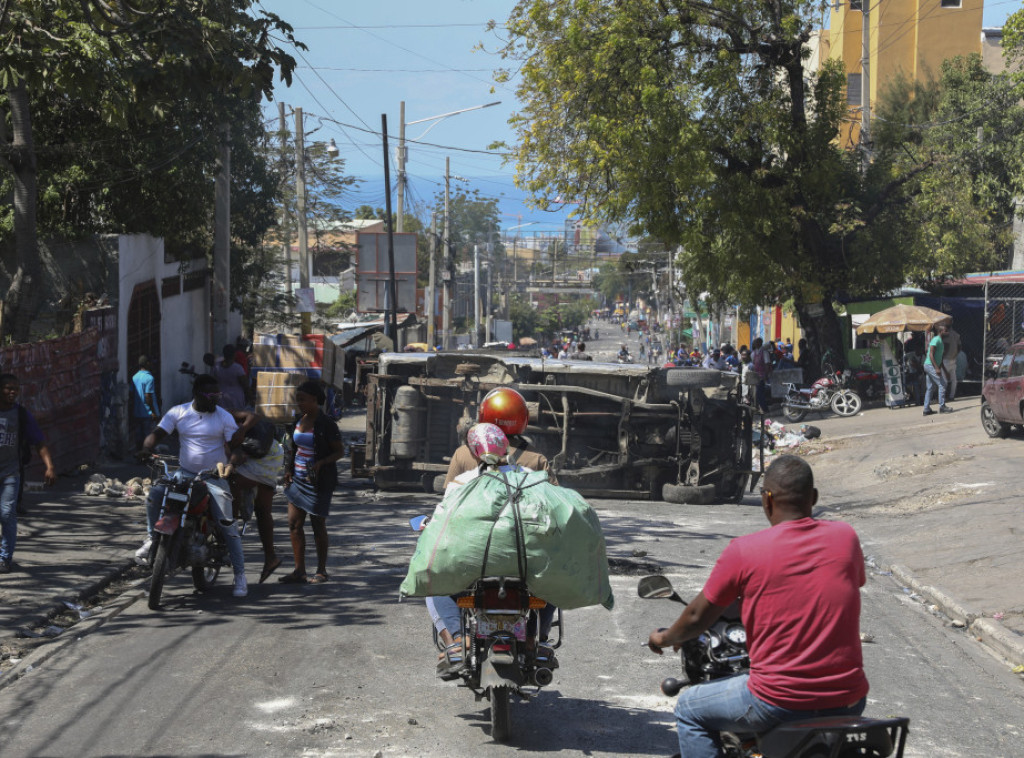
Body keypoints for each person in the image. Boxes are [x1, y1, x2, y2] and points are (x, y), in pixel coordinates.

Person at [647, 456, 868, 758]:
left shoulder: (744, 551)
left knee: (689, 708)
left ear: (767, 499)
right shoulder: (846, 538)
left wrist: (665, 637)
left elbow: (698, 615)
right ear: (813, 498)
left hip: (779, 700)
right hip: (850, 699)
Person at [139, 374, 249, 597]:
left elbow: (236, 447)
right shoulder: (178, 412)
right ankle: (152, 537)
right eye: (212, 395)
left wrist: (232, 464)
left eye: (218, 395)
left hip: (212, 476)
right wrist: (145, 449)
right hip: (183, 474)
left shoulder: (223, 417)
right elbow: (156, 435)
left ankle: (240, 575)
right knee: (156, 494)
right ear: (198, 394)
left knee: (227, 524)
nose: (216, 399)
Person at [279, 381, 344, 585]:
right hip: (297, 479)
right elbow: (294, 447)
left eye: (302, 399)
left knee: (318, 525)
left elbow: (339, 451)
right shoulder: (299, 420)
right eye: (297, 399)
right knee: (293, 524)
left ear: (315, 400)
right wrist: (288, 469)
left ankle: (321, 570)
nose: (298, 403)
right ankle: (299, 571)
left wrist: (321, 463)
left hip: (318, 482)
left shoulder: (327, 424)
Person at [0, 374, 58, 573]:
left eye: (16, 388)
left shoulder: (22, 415)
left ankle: (4, 558)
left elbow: (39, 442)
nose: (12, 392)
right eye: (8, 388)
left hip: (10, 473)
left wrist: (49, 466)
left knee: (7, 513)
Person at [229, 411, 284, 584]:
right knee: (262, 509)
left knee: (232, 482)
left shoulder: (221, 412)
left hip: (262, 453)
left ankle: (230, 527)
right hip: (267, 451)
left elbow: (255, 416)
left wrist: (242, 430)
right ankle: (271, 558)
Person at [131, 356, 160, 451]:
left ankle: (140, 455)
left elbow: (132, 393)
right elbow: (148, 396)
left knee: (138, 436)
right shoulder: (149, 378)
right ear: (147, 364)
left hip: (137, 412)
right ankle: (146, 456)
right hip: (147, 413)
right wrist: (153, 412)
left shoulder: (134, 377)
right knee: (148, 436)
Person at [923, 324, 951, 415]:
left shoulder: (941, 342)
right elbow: (931, 354)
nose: (947, 333)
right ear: (941, 331)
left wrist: (945, 371)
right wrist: (936, 368)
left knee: (930, 387)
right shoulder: (936, 339)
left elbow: (940, 358)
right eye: (946, 331)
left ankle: (926, 409)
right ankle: (942, 407)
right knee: (942, 384)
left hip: (931, 366)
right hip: (930, 365)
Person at [212, 344, 250, 411]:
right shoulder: (237, 368)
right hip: (235, 397)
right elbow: (245, 384)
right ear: (234, 354)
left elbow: (213, 381)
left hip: (220, 396)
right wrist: (250, 397)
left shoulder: (216, 367)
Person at [942, 326, 961, 401]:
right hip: (953, 359)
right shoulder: (956, 334)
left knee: (944, 379)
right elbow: (960, 346)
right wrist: (955, 354)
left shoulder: (946, 335)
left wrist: (944, 354)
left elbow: (945, 346)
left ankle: (943, 397)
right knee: (954, 379)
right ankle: (951, 396)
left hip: (946, 359)